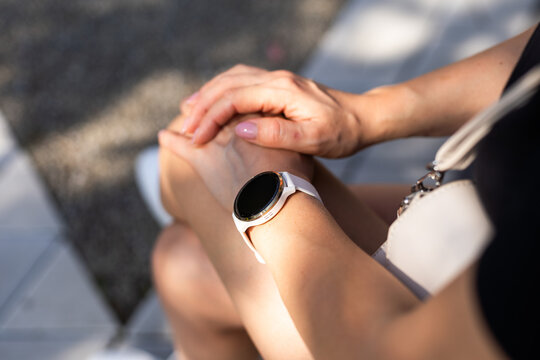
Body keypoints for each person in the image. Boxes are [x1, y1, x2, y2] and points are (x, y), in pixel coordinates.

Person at [152, 24, 539, 359]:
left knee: (194, 165)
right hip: (491, 214)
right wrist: (365, 113)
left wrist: (269, 195)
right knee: (180, 260)